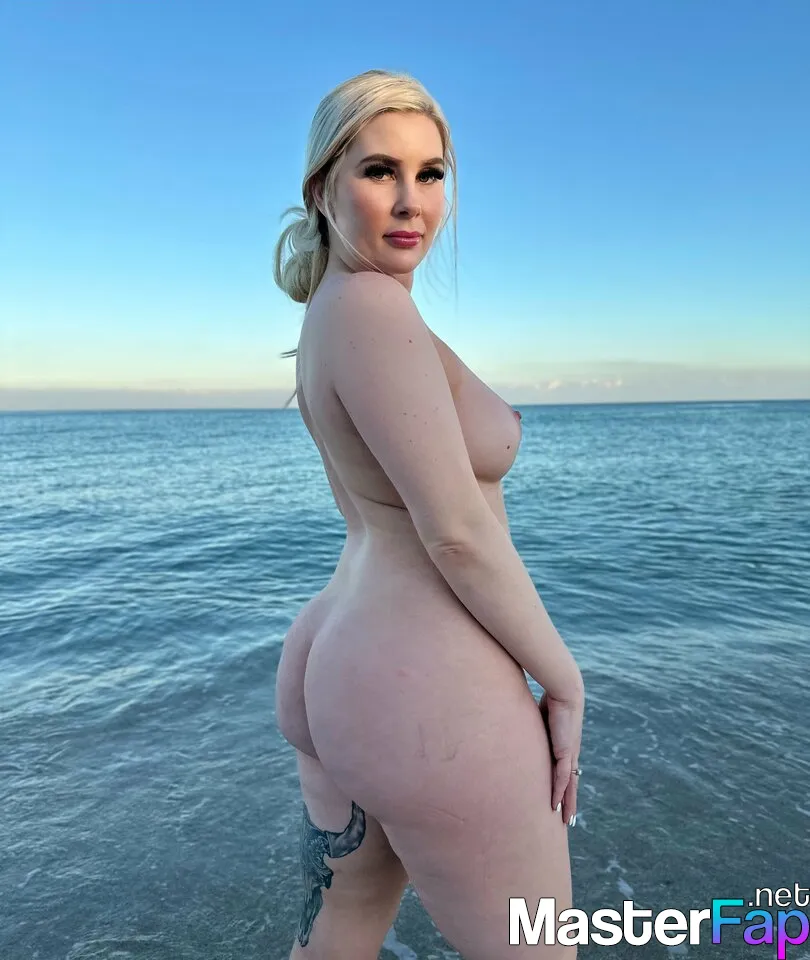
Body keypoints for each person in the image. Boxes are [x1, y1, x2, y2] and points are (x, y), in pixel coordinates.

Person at [272, 68, 585, 959]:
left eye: (431, 173)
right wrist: (563, 680)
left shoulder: (337, 312)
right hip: (423, 685)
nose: (412, 200)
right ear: (324, 187)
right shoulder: (372, 310)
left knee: (339, 934)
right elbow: (456, 532)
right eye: (380, 170)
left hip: (347, 659)